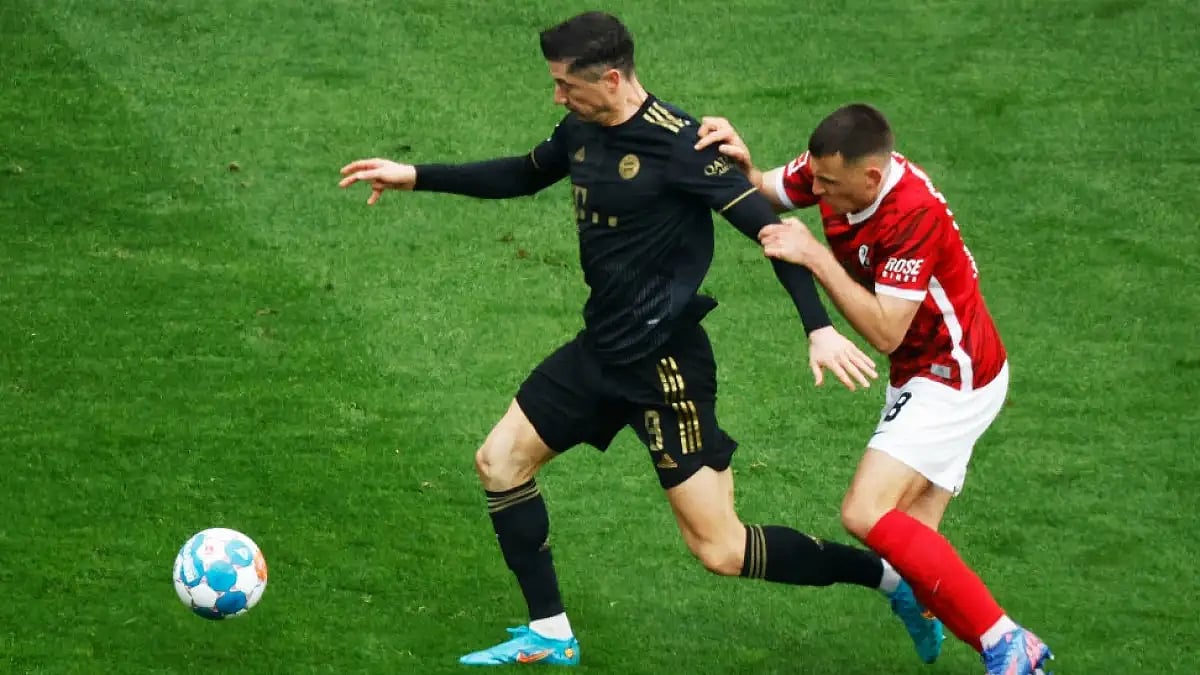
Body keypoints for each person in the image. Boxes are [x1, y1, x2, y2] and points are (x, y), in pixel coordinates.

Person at [339, 13, 941, 667]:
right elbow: (523, 172)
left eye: (566, 85)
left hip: (667, 370)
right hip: (600, 350)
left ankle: (889, 580)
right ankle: (551, 631)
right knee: (499, 462)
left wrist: (818, 327)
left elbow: (774, 232)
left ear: (614, 79)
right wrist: (415, 175)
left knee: (721, 549)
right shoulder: (581, 128)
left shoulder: (684, 146)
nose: (558, 98)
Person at [696, 103, 1055, 674]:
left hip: (952, 375)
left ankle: (1010, 642)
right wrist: (744, 163)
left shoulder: (910, 214)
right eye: (814, 178)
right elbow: (769, 188)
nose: (815, 191)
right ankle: (987, 642)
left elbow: (888, 331)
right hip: (929, 371)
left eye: (828, 185)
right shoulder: (836, 170)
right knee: (911, 541)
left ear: (869, 177)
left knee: (865, 511)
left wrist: (816, 257)